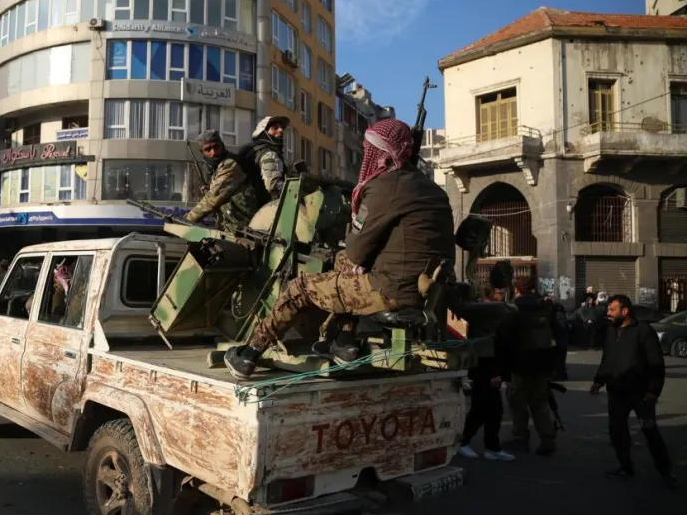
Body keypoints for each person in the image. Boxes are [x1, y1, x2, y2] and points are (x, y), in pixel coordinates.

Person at [223, 118, 455, 379]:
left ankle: (249, 354)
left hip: (391, 291)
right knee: (343, 261)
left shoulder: (385, 186)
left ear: (380, 152)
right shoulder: (433, 190)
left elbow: (357, 251)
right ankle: (344, 343)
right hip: (428, 290)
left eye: (370, 150)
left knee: (300, 288)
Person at [591, 295, 677, 488]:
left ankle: (665, 472)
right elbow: (608, 358)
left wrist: (654, 390)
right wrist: (599, 380)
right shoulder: (611, 330)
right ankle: (626, 467)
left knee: (650, 431)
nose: (608, 313)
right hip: (617, 393)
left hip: (641, 395)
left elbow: (656, 363)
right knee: (617, 432)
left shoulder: (643, 331)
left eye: (612, 310)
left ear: (625, 311)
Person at [500, 276, 564, 456]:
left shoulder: (513, 310)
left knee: (517, 404)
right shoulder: (545, 309)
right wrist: (555, 365)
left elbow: (504, 341)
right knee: (540, 403)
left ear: (516, 289)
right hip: (543, 365)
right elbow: (560, 337)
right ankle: (547, 439)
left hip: (520, 367)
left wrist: (504, 368)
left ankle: (520, 438)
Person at [459, 285, 515, 461]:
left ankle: (489, 446)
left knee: (491, 410)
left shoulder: (489, 312)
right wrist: (496, 374)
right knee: (483, 410)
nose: (502, 295)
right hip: (485, 368)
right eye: (499, 292)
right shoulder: (486, 311)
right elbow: (490, 348)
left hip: (487, 367)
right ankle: (467, 442)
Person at [184, 130, 261, 232]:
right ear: (202, 152)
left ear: (223, 146)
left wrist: (187, 220)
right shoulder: (218, 167)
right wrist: (210, 188)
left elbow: (213, 198)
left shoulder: (230, 164)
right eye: (208, 149)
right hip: (233, 227)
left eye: (216, 147)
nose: (213, 152)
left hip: (244, 228)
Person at [236, 115, 290, 202]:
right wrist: (295, 192)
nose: (280, 130)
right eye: (275, 128)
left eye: (281, 128)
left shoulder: (254, 152)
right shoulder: (269, 154)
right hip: (268, 206)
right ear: (263, 132)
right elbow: (274, 185)